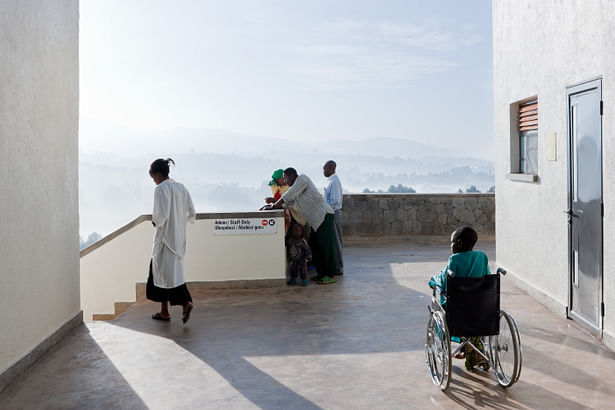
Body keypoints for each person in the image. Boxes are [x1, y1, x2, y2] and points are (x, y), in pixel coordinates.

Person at [428, 226, 491, 370]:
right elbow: (487, 278)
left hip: (458, 313)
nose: (451, 245)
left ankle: (465, 347)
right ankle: (469, 348)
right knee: (468, 305)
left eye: (452, 242)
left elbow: (444, 280)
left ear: (459, 244)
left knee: (446, 309)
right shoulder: (482, 257)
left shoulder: (454, 260)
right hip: (481, 311)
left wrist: (433, 281)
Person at [262, 167, 337, 284]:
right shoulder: (296, 190)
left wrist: (273, 206)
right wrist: (271, 205)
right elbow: (288, 203)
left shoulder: (302, 179)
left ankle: (330, 275)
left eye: (285, 178)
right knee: (315, 247)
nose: (285, 181)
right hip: (316, 222)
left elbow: (288, 196)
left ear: (292, 176)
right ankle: (321, 274)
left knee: (325, 248)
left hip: (324, 216)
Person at [147, 158, 196, 324]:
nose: (154, 181)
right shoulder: (181, 187)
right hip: (178, 239)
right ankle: (165, 311)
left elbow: (160, 217)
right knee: (171, 276)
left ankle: (184, 303)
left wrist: (156, 222)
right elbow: (191, 211)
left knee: (161, 276)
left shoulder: (161, 189)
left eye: (153, 177)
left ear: (159, 175)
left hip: (164, 240)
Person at [323, 160, 343, 276]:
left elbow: (335, 201)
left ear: (331, 168)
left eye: (325, 169)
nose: (323, 171)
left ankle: (339, 267)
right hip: (330, 213)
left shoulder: (334, 182)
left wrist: (325, 209)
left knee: (336, 241)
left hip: (334, 213)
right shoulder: (330, 181)